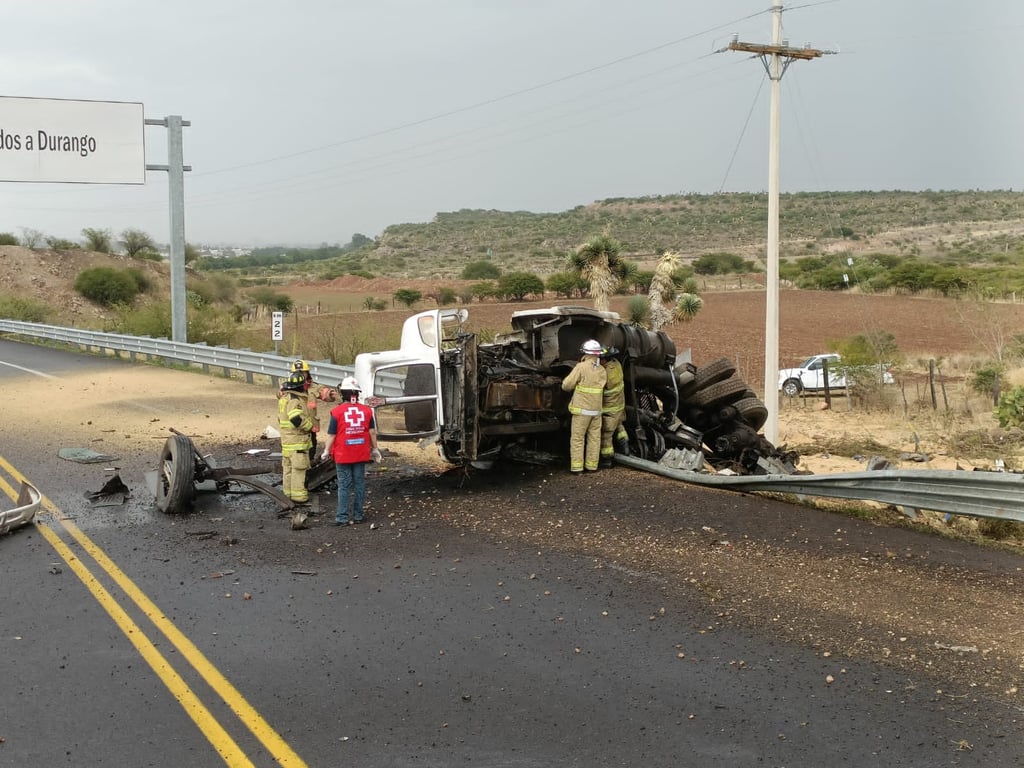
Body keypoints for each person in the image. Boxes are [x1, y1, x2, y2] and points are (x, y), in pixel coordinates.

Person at [320, 376, 381, 526]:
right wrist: (375, 449)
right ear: (357, 393)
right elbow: (372, 432)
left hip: (343, 454)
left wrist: (326, 450)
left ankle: (342, 518)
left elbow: (332, 435)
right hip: (360, 453)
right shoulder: (367, 412)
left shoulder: (337, 412)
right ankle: (359, 515)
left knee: (344, 485)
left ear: (343, 393)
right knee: (359, 484)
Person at [561, 339, 607, 473]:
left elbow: (566, 385)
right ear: (598, 354)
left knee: (577, 439)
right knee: (594, 438)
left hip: (581, 411)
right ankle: (592, 466)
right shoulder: (602, 370)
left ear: (585, 353)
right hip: (596, 411)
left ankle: (577, 468)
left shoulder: (580, 367)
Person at [278, 371, 315, 504]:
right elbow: (296, 419)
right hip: (297, 442)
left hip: (287, 441)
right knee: (299, 469)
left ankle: (287, 494)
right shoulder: (295, 400)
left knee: (287, 469)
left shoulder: (285, 398)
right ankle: (299, 496)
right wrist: (309, 426)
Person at [291, 359, 337, 460]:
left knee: (311, 450)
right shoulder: (288, 387)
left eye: (303, 372)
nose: (301, 375)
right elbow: (279, 395)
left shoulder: (313, 387)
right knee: (297, 454)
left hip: (310, 426)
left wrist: (331, 394)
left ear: (307, 373)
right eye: (297, 373)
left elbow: (324, 394)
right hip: (295, 427)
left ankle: (309, 468)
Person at [599, 346, 628, 468]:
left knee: (606, 434)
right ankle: (625, 449)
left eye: (600, 359)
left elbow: (600, 387)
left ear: (605, 359)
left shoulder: (606, 372)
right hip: (619, 406)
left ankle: (607, 460)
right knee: (620, 427)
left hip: (609, 408)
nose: (598, 361)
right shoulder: (617, 364)